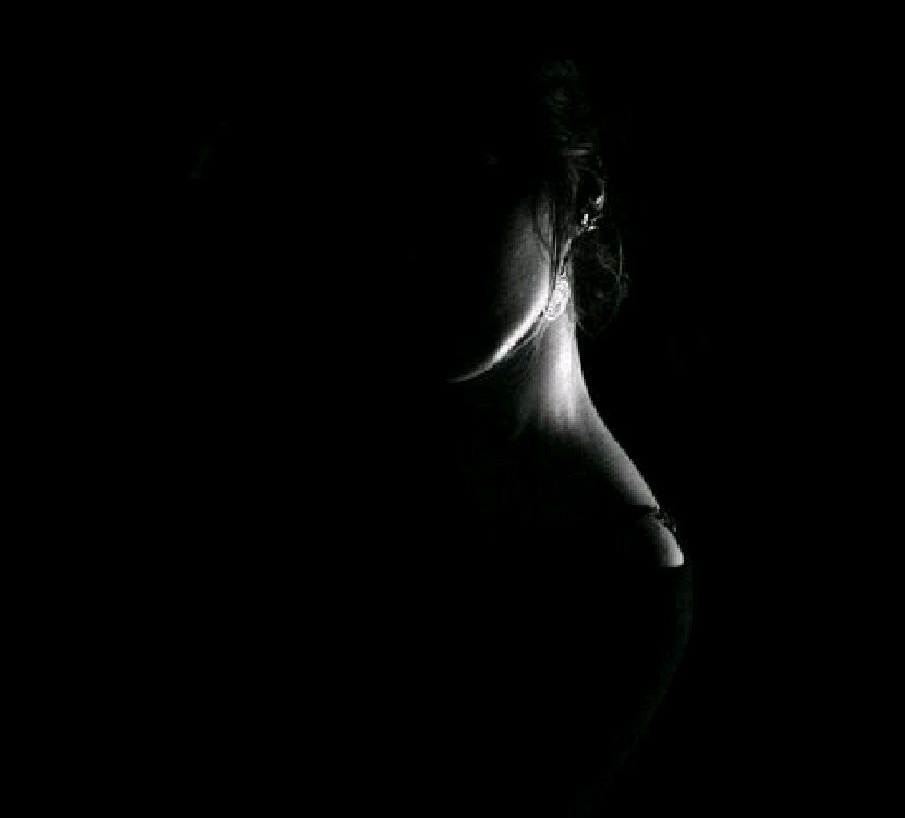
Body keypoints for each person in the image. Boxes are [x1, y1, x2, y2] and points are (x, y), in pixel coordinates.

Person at [168, 59, 692, 815]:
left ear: (581, 192)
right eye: (390, 189)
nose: (415, 238)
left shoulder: (619, 590)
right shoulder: (318, 434)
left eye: (470, 179)